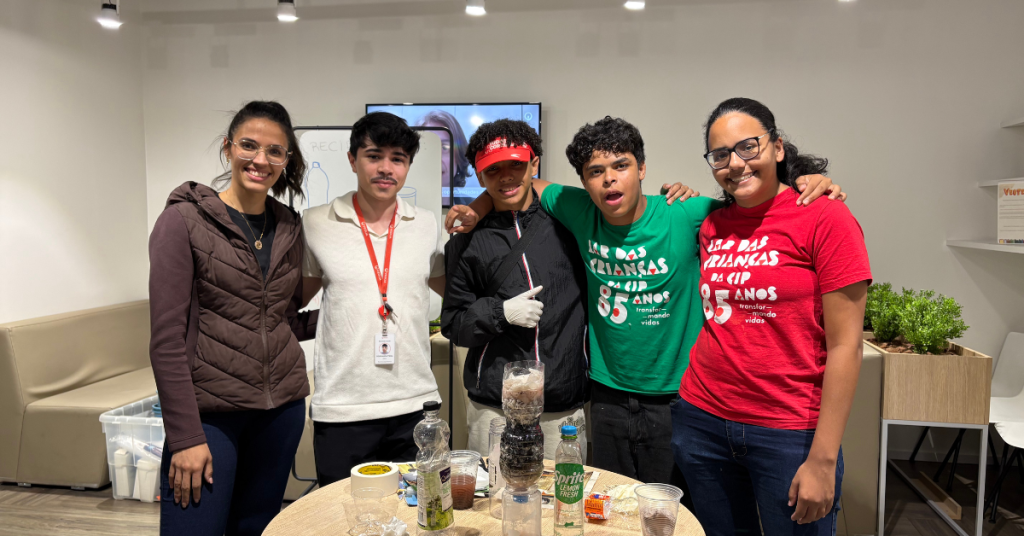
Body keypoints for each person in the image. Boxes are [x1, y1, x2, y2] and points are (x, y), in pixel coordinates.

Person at [446, 116, 844, 486]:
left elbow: (752, 201)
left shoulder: (685, 213)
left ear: (642, 168)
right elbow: (521, 187)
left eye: (621, 166)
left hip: (678, 397)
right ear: (583, 182)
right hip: (605, 395)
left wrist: (801, 182)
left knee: (673, 504)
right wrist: (477, 209)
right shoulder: (575, 211)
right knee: (610, 505)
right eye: (595, 172)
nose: (609, 179)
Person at [673, 98, 870, 534]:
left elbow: (846, 345)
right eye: (720, 155)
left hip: (789, 432)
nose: (735, 163)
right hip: (702, 419)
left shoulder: (825, 217)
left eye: (748, 147)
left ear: (777, 147)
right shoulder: (713, 225)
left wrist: (823, 459)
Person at [441, 119, 693, 459]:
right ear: (479, 175)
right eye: (493, 170)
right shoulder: (466, 239)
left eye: (515, 165)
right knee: (496, 492)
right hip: (494, 408)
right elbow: (454, 324)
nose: (505, 177)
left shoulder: (570, 221)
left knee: (566, 492)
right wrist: (500, 313)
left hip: (563, 406)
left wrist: (680, 194)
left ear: (533, 164)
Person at [148, 100, 317, 535]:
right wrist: (185, 437)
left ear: (286, 160)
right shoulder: (183, 221)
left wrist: (349, 317)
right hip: (210, 415)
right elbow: (166, 341)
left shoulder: (289, 227)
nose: (261, 160)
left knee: (257, 529)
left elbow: (278, 319)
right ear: (228, 148)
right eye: (249, 145)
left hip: (280, 412)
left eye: (275, 151)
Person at [301, 112, 446, 486]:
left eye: (398, 158)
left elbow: (452, 290)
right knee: (343, 512)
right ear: (352, 160)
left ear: (408, 165)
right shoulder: (315, 223)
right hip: (343, 408)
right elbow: (291, 300)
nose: (386, 168)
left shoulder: (427, 224)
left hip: (416, 404)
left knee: (417, 511)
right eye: (374, 156)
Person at [418, 110, 474, 206]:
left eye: (444, 147)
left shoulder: (474, 208)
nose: (435, 158)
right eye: (427, 147)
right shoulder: (397, 207)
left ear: (459, 156)